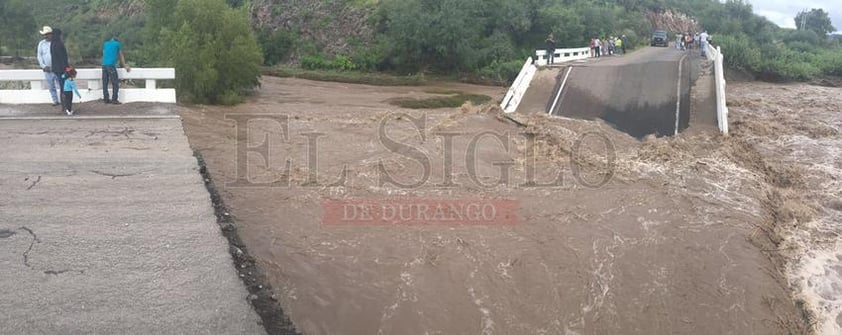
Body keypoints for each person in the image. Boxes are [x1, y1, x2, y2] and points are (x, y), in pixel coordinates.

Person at [101, 36, 131, 104]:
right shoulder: (117, 44)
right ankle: (114, 99)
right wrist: (125, 66)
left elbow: (103, 53)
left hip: (104, 65)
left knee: (105, 83)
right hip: (111, 65)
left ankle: (106, 99)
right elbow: (121, 55)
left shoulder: (105, 44)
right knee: (115, 83)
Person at [37, 26, 61, 106]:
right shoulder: (41, 44)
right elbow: (39, 56)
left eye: (47, 34)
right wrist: (43, 66)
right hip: (47, 69)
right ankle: (55, 101)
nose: (46, 36)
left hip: (56, 68)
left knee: (61, 85)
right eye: (45, 34)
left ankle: (63, 100)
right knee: (51, 86)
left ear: (51, 34)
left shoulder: (56, 43)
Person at [49, 28, 69, 107]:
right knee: (65, 87)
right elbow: (62, 58)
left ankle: (64, 105)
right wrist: (66, 69)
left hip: (56, 69)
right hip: (62, 69)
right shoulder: (59, 44)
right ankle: (66, 105)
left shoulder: (52, 44)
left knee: (62, 87)